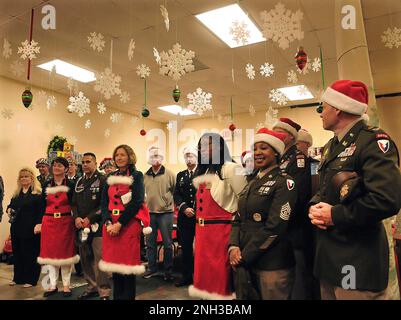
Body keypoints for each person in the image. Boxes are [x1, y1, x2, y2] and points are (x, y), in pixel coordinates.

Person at [309, 79, 401, 299]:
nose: (320, 113)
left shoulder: (373, 141)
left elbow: (386, 200)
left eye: (322, 107)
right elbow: (325, 189)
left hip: (356, 261)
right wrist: (315, 207)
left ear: (338, 109)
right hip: (330, 260)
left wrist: (335, 215)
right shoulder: (332, 145)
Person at [229, 128, 297, 299]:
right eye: (255, 148)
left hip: (272, 263)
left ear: (275, 152)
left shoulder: (285, 182)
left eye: (264, 148)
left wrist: (244, 255)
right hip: (246, 261)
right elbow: (238, 218)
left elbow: (276, 227)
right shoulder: (251, 183)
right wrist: (233, 246)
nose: (258, 153)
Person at [188, 133, 247, 300]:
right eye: (201, 146)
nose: (204, 149)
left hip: (222, 233)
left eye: (209, 145)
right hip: (202, 233)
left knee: (220, 277)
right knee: (204, 277)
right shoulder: (204, 170)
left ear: (221, 147)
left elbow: (244, 201)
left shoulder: (230, 168)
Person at [99, 144, 151, 300]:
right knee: (115, 267)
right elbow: (103, 202)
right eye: (117, 155)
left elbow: (137, 201)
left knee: (127, 268)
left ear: (130, 157)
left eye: (122, 155)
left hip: (127, 225)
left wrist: (119, 224)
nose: (119, 158)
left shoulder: (137, 175)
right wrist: (107, 221)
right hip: (110, 226)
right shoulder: (109, 177)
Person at [273, 118, 315, 300]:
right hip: (282, 228)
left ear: (290, 137)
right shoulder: (279, 158)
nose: (275, 135)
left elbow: (298, 195)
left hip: (294, 228)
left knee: (299, 278)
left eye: (279, 132)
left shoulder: (297, 159)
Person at [35, 157, 79, 298]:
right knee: (51, 255)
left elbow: (75, 204)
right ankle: (53, 285)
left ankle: (66, 285)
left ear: (66, 169)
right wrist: (39, 222)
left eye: (59, 165)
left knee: (65, 254)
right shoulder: (47, 184)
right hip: (49, 222)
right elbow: (42, 205)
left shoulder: (71, 184)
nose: (56, 168)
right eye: (54, 165)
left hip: (65, 222)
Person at [71, 152, 111, 300]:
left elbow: (104, 205)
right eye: (83, 162)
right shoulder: (79, 181)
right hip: (81, 226)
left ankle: (104, 290)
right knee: (85, 258)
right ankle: (92, 286)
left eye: (88, 162)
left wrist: (89, 218)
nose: (85, 164)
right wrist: (76, 218)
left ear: (95, 163)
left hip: (98, 226)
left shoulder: (103, 179)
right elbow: (74, 203)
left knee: (99, 259)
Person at [143, 146, 176, 281]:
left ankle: (168, 270)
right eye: (152, 156)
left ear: (162, 157)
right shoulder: (145, 175)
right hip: (149, 214)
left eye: (157, 156)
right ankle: (152, 268)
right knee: (150, 243)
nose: (155, 159)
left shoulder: (170, 174)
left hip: (165, 214)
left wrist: (166, 202)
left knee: (167, 243)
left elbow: (174, 190)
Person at [6, 168, 43, 288]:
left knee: (30, 254)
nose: (24, 179)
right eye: (21, 177)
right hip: (17, 228)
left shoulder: (37, 194)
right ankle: (18, 278)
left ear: (32, 178)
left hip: (31, 229)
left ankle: (31, 279)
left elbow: (41, 212)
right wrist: (9, 209)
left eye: (26, 176)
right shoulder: (17, 193)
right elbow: (11, 205)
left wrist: (39, 224)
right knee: (17, 254)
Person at [173, 146, 198, 287]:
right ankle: (187, 277)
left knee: (201, 249)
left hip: (199, 217)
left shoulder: (203, 173)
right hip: (184, 217)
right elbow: (176, 194)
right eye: (186, 156)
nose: (189, 159)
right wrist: (184, 208)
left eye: (191, 156)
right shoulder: (181, 175)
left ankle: (201, 276)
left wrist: (194, 209)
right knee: (186, 248)